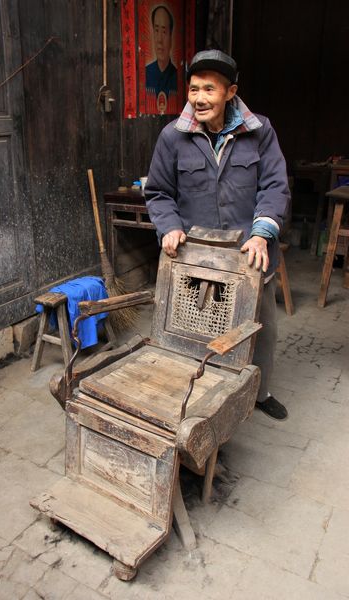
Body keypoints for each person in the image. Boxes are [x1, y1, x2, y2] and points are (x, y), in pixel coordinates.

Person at [145, 49, 290, 420]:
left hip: (249, 258)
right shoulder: (173, 137)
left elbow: (275, 187)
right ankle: (202, 397)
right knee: (197, 330)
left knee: (261, 331)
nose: (199, 98)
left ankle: (260, 393)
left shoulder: (259, 131)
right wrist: (171, 226)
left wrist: (261, 234)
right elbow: (159, 192)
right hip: (198, 261)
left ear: (230, 92)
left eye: (209, 89)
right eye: (194, 89)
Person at [145, 5, 178, 113]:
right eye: (156, 30)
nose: (159, 40)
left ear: (171, 37)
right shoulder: (145, 73)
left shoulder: (178, 76)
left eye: (164, 32)